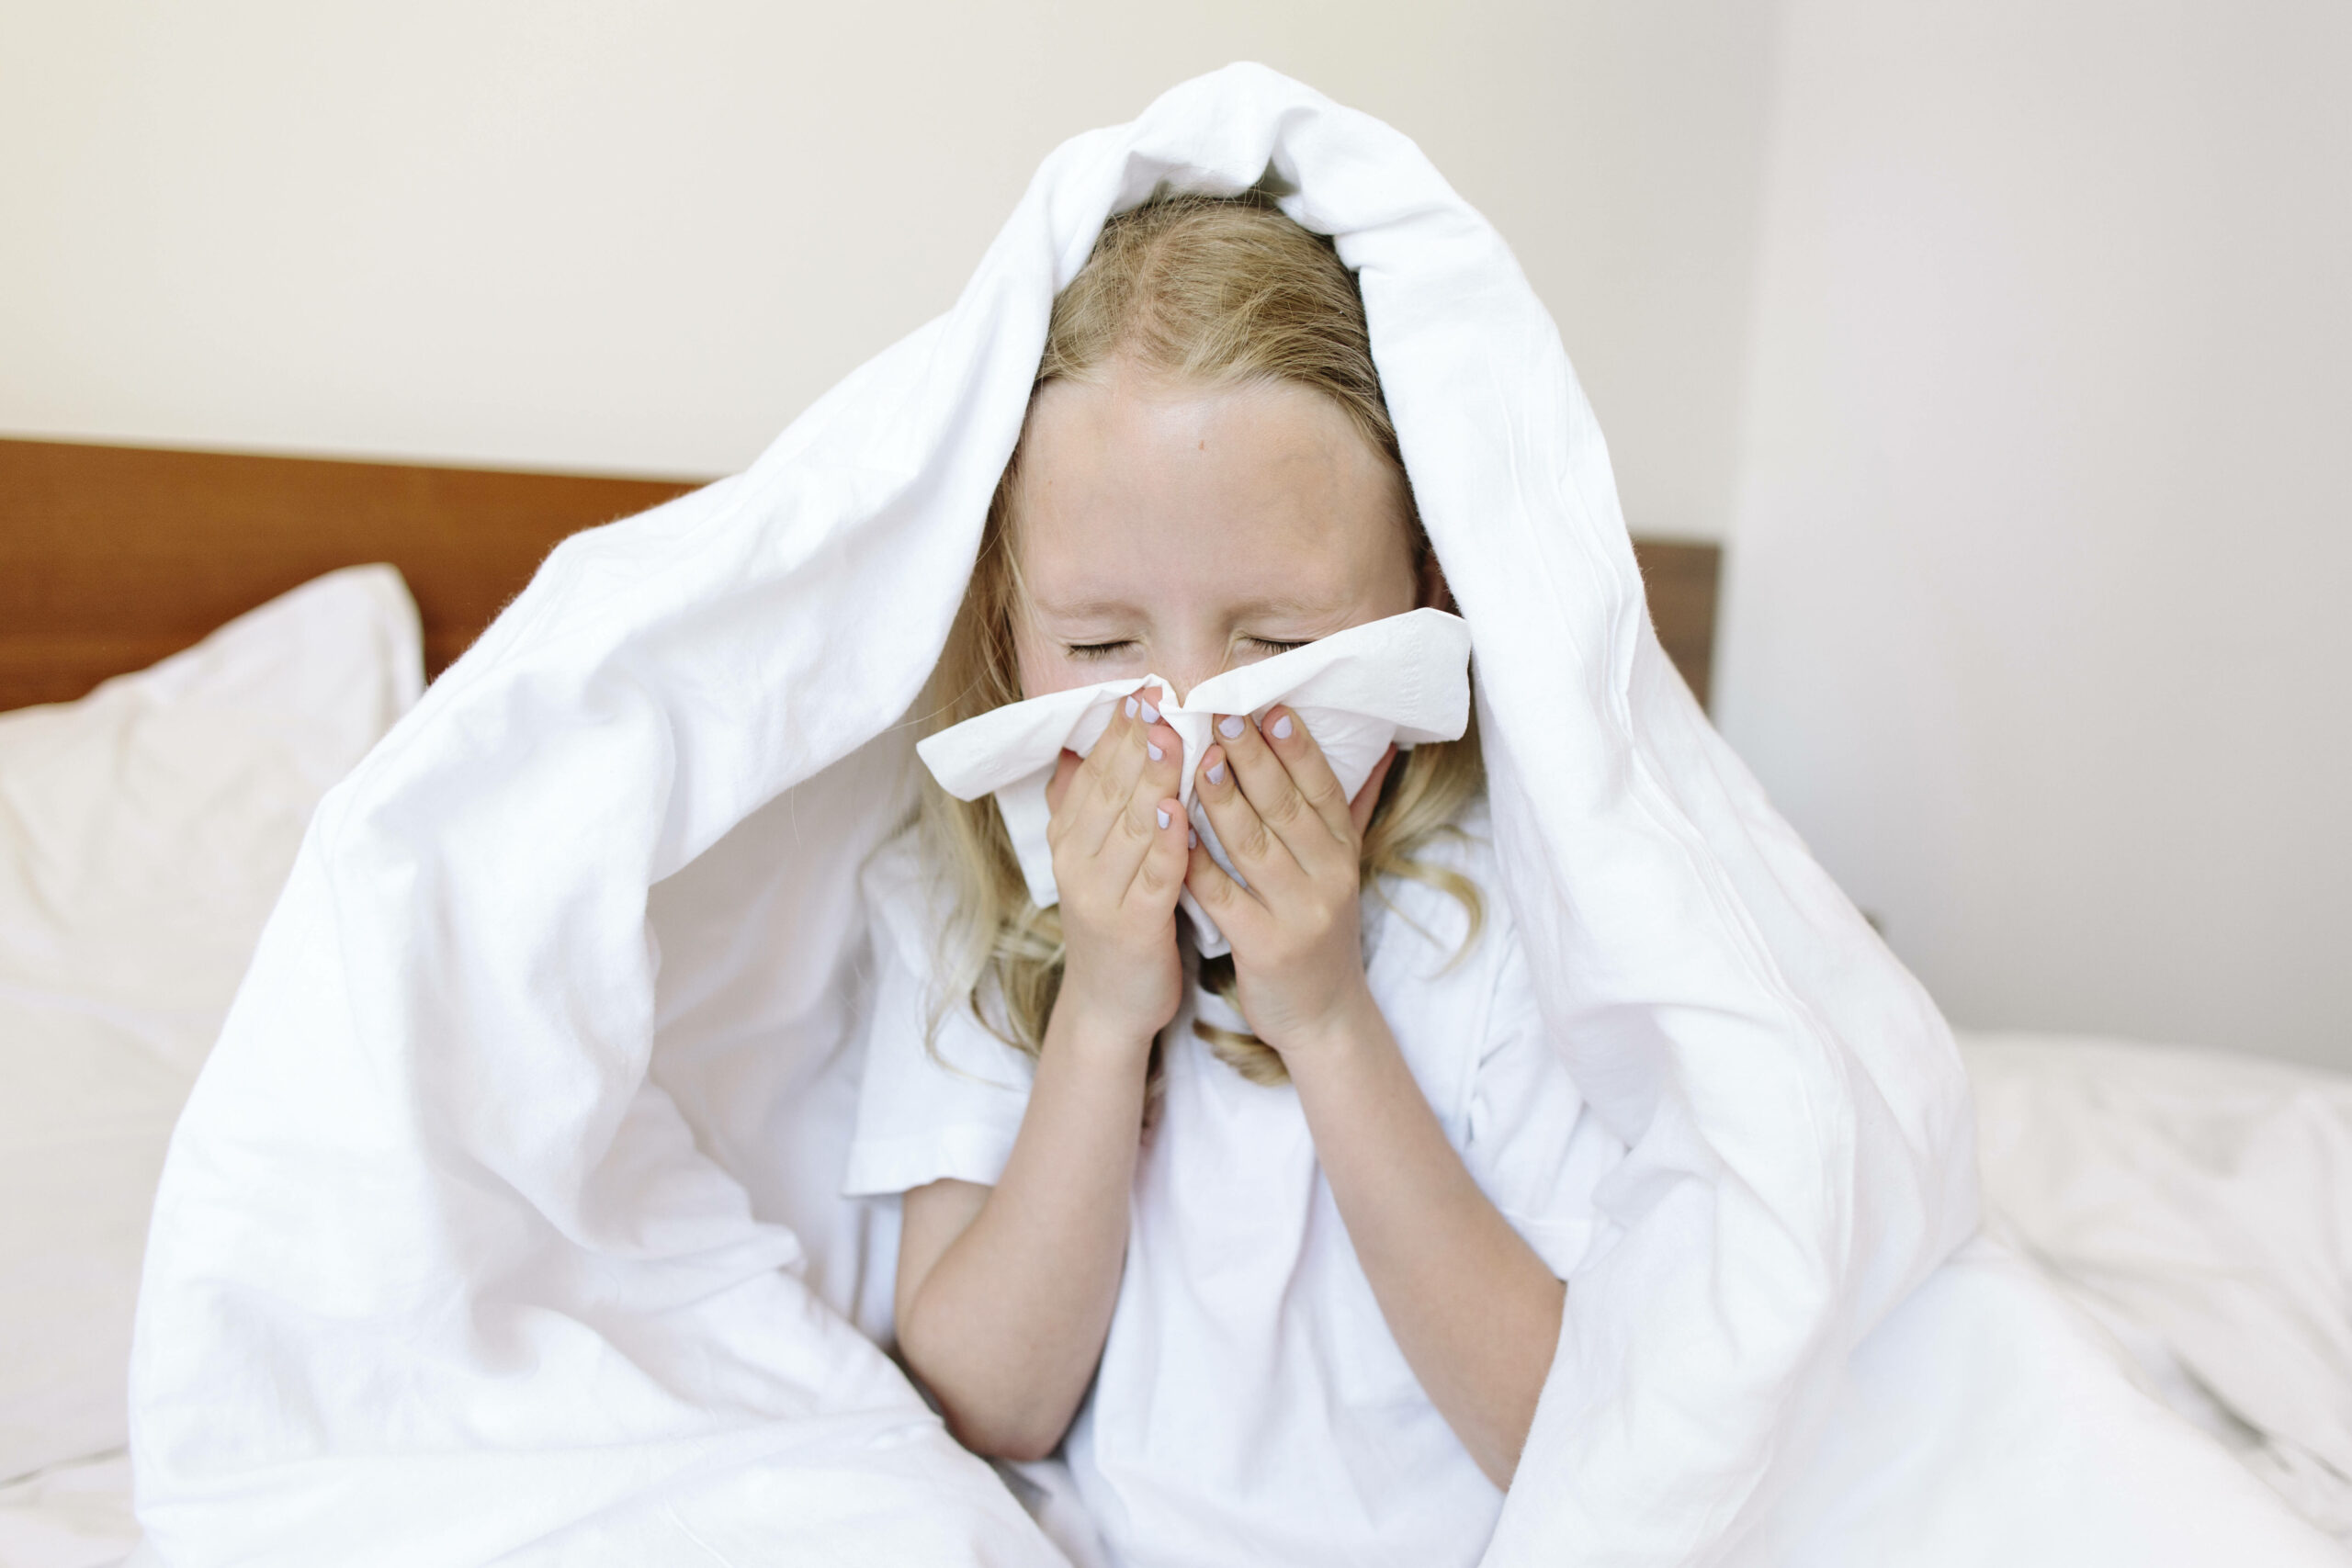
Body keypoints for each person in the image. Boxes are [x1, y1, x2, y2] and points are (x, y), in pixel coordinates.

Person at [842, 191, 1625, 1567]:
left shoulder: (1510, 906)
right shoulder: (970, 893)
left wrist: (1324, 1013)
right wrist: (1096, 1012)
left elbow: (1563, 1429)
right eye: (1098, 646)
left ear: (1428, 593)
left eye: (1273, 639)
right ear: (1009, 618)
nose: (1190, 717)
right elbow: (987, 1403)